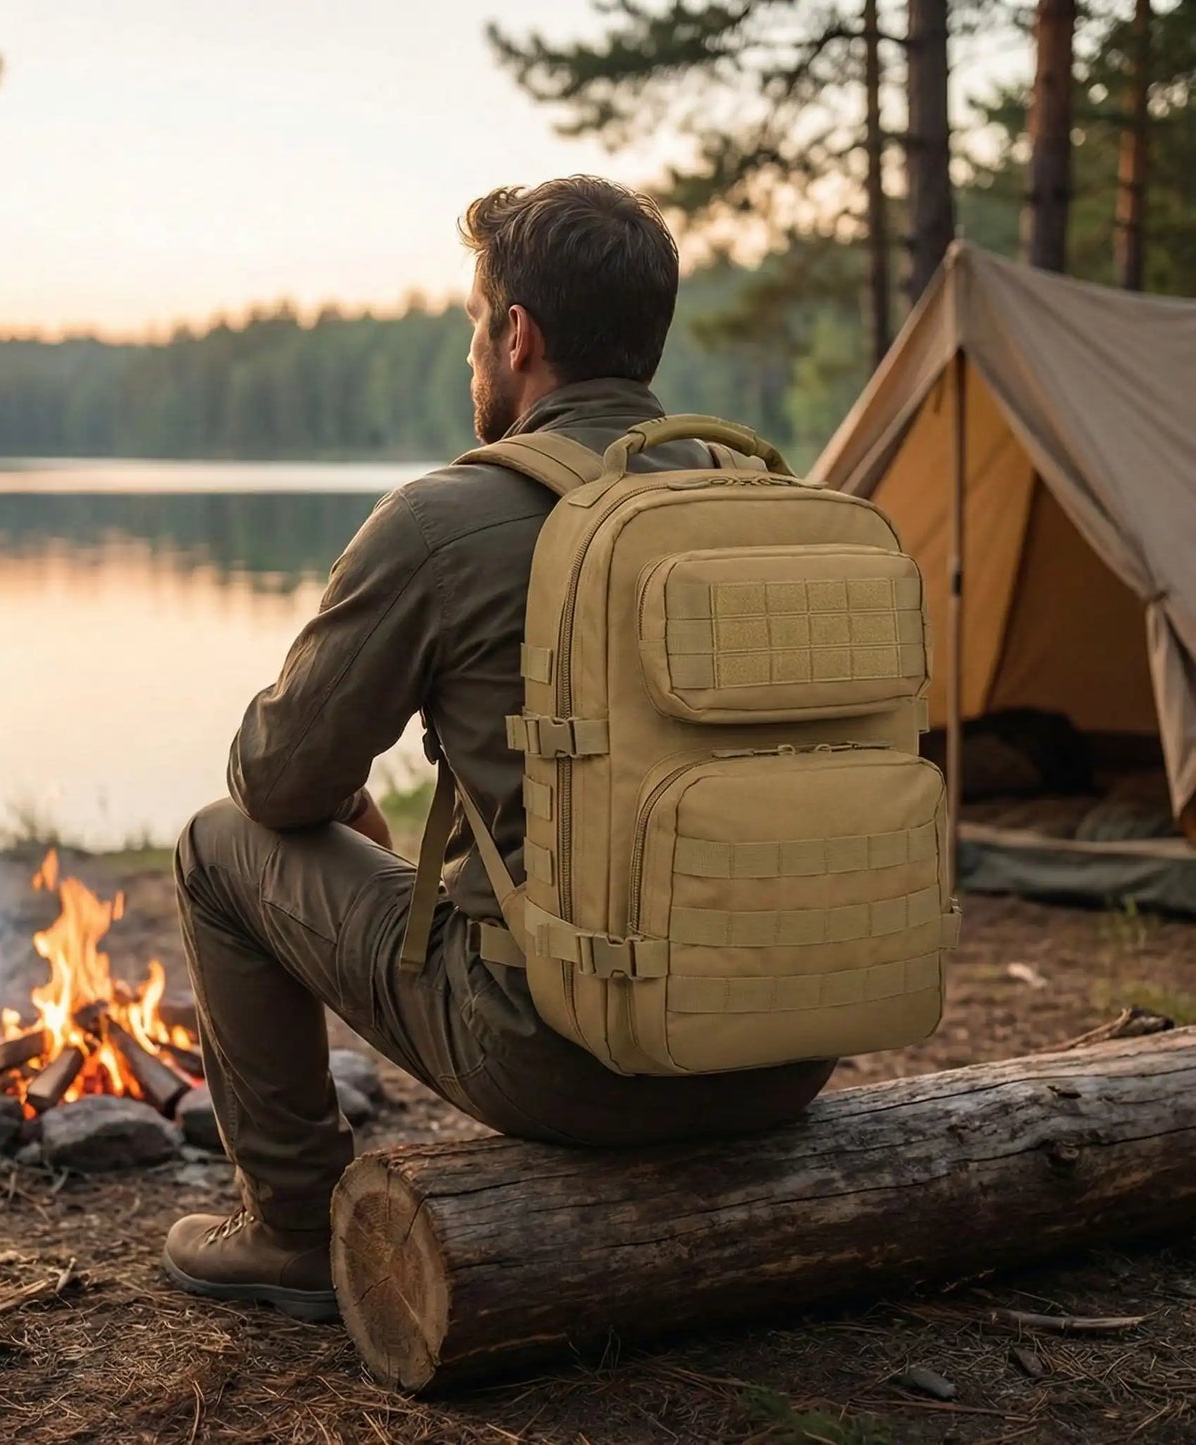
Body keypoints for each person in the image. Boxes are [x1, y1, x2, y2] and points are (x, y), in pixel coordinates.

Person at [161, 177, 835, 1321]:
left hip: (568, 1061)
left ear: (515, 334)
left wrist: (345, 808)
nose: (472, 353)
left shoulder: (447, 519)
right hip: (783, 1047)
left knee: (214, 846)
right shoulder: (765, 502)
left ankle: (287, 1226)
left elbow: (273, 778)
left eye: (475, 323)